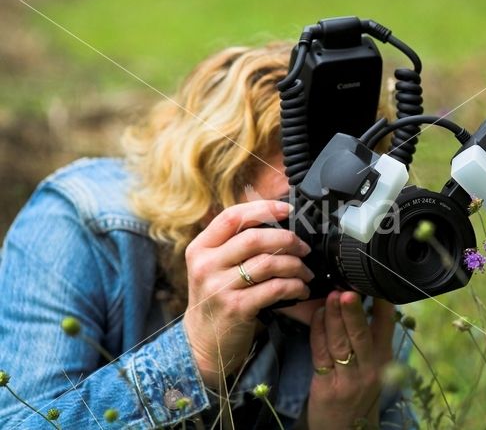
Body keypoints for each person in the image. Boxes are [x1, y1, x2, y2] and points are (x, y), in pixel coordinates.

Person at [0, 42, 414, 429]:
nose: (340, 236)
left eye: (356, 206)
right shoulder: (80, 228)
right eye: (309, 210)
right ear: (211, 201)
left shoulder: (363, 283)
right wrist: (193, 355)